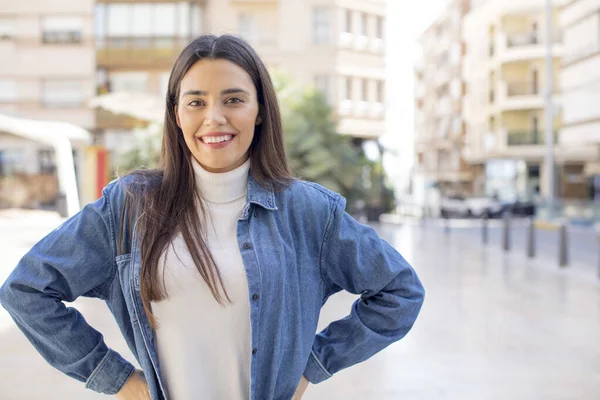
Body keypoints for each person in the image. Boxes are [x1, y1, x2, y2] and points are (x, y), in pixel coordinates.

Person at [0, 34, 425, 400]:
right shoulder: (129, 206)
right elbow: (26, 290)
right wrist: (118, 380)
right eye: (196, 101)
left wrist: (314, 363)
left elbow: (399, 291)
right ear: (177, 113)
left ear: (259, 110)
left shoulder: (308, 212)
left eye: (234, 99)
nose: (214, 118)